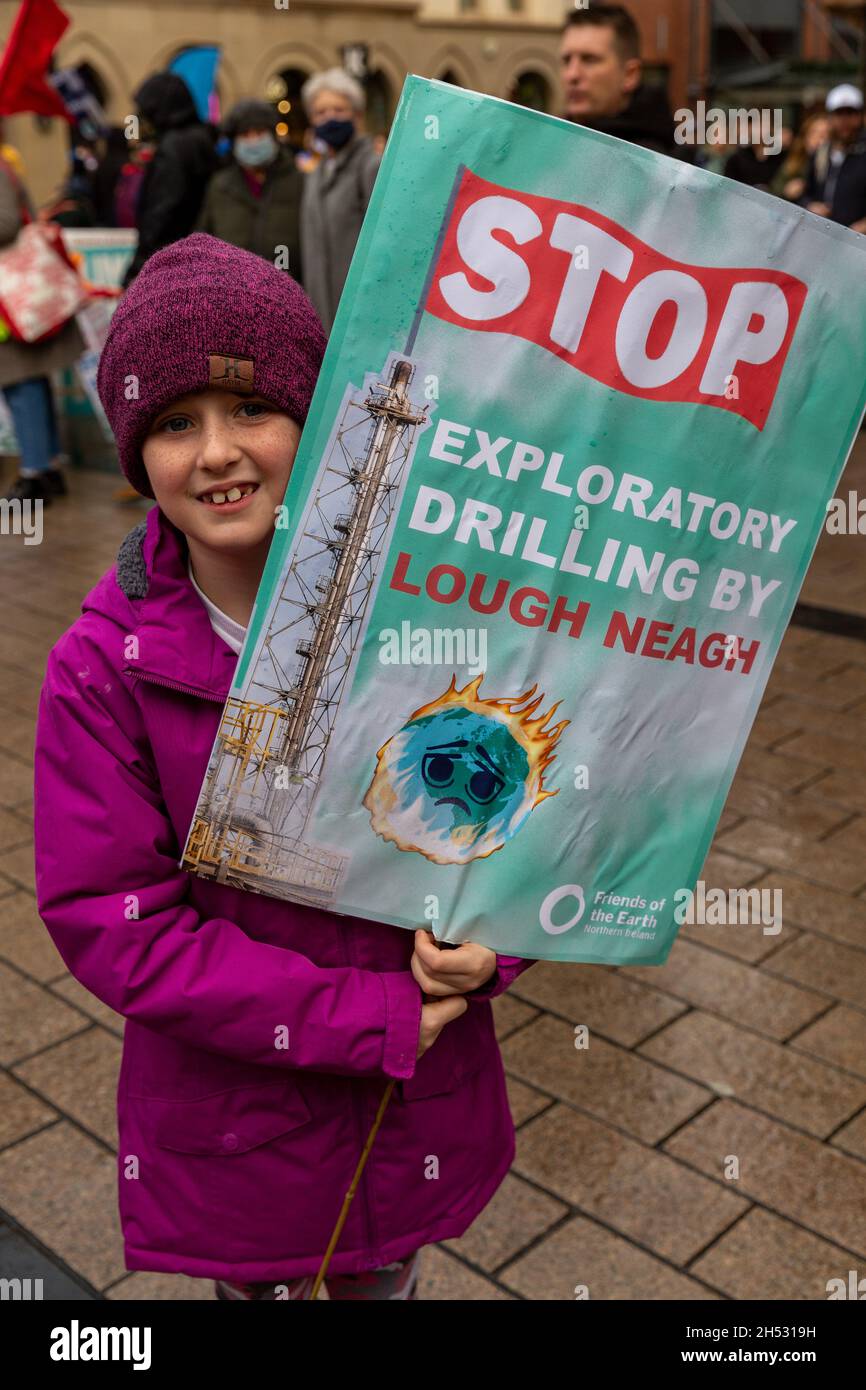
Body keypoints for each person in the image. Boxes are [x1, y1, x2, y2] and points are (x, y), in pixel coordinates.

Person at [32, 232, 532, 1300]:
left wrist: (495, 950)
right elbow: (115, 920)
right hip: (237, 1128)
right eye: (175, 422)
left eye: (250, 408)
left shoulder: (424, 618)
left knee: (384, 1281)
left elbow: (513, 821)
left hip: (412, 1112)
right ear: (134, 451)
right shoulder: (101, 667)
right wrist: (368, 1016)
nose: (216, 452)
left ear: (316, 423)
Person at [0, 159, 84, 505]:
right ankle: (47, 466)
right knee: (28, 382)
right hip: (14, 297)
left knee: (21, 382)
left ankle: (35, 473)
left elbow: (6, 223)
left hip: (13, 296)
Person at [299, 68, 381, 333]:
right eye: (320, 112)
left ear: (357, 115)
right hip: (324, 313)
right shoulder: (318, 171)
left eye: (339, 109)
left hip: (362, 318)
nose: (329, 118)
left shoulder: (371, 165)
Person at [121, 72, 217, 287]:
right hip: (200, 259)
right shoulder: (200, 138)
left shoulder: (173, 147)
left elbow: (162, 212)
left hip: (173, 265)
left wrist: (137, 269)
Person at [196, 99, 303, 279]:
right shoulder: (220, 186)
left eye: (260, 132)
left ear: (273, 137)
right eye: (245, 134)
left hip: (290, 290)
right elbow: (203, 242)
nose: (253, 141)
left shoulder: (299, 182)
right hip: (233, 294)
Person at [558, 4, 682, 158]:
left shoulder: (656, 167)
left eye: (589, 59)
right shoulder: (550, 145)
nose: (572, 74)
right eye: (566, 60)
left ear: (630, 75)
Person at [802, 84, 866, 233]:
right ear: (830, 117)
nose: (844, 120)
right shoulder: (820, 153)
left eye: (850, 113)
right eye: (839, 113)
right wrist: (810, 206)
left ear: (860, 116)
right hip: (823, 238)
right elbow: (806, 193)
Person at [770, 112, 829, 202]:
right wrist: (786, 192)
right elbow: (774, 191)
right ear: (805, 137)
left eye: (825, 134)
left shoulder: (834, 166)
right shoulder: (794, 162)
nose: (819, 138)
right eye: (814, 133)